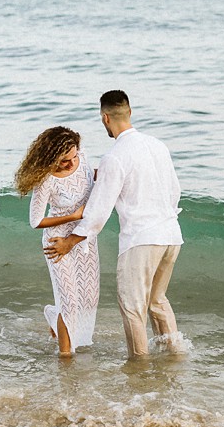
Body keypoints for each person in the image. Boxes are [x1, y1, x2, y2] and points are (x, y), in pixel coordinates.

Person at [44, 90, 184, 358]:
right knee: (157, 301)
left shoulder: (115, 156)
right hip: (171, 235)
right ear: (129, 112)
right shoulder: (158, 145)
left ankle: (139, 365)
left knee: (133, 308)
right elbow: (174, 190)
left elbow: (98, 211)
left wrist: (70, 241)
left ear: (105, 118)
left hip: (141, 240)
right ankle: (174, 356)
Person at [16, 126, 100, 357]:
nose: (71, 163)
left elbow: (89, 175)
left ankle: (55, 318)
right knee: (69, 303)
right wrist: (74, 215)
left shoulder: (81, 159)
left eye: (74, 156)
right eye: (65, 160)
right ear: (51, 158)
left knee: (89, 299)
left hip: (84, 238)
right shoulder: (46, 181)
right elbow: (36, 221)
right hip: (57, 242)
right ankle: (65, 355)